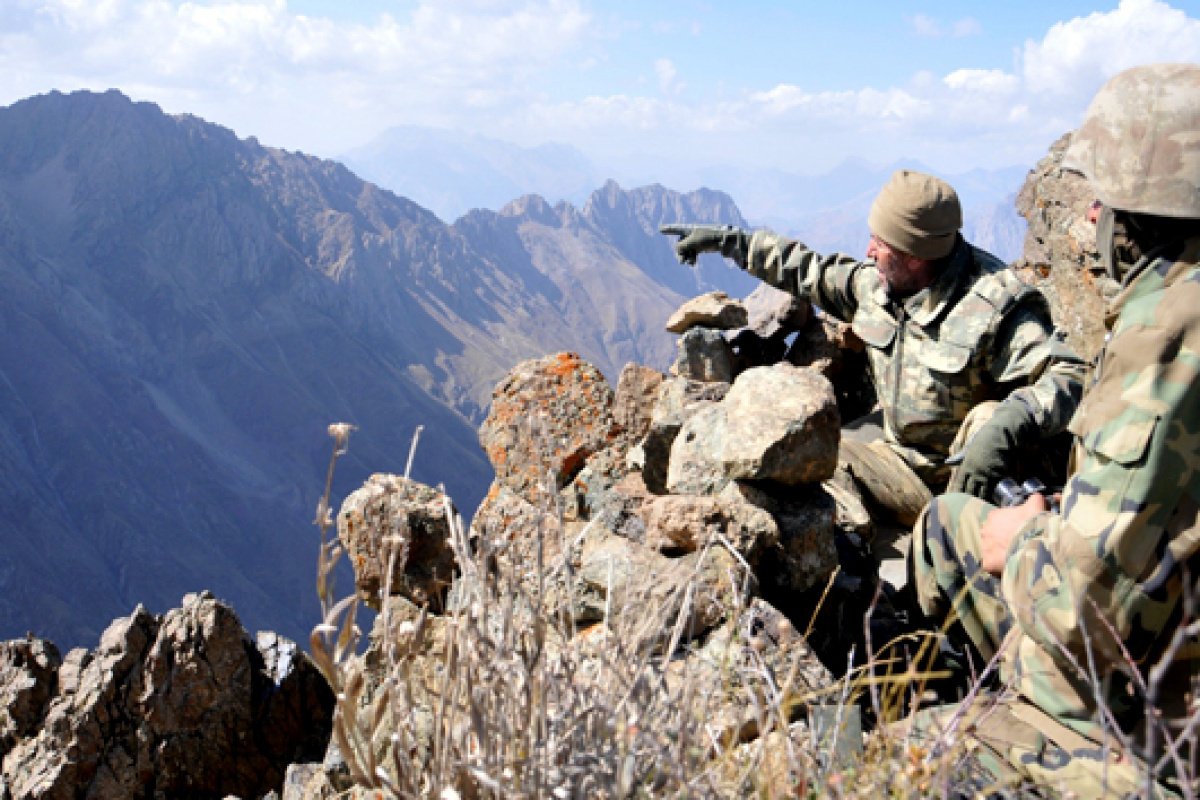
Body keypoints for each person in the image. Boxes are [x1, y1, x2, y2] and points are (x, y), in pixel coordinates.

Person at [908, 63, 1200, 795]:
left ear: (1139, 213)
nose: (1090, 221)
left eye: (1102, 201)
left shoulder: (1168, 336)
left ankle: (972, 732)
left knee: (945, 532)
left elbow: (1079, 611)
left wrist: (1027, 538)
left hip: (1169, 712)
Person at [662, 170, 1086, 526]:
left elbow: (1070, 376)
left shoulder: (996, 306)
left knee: (988, 417)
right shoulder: (881, 286)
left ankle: (962, 560)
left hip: (978, 491)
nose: (868, 252)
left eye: (880, 245)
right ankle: (856, 569)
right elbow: (809, 270)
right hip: (906, 470)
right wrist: (729, 241)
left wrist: (1007, 425)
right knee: (819, 461)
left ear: (916, 256)